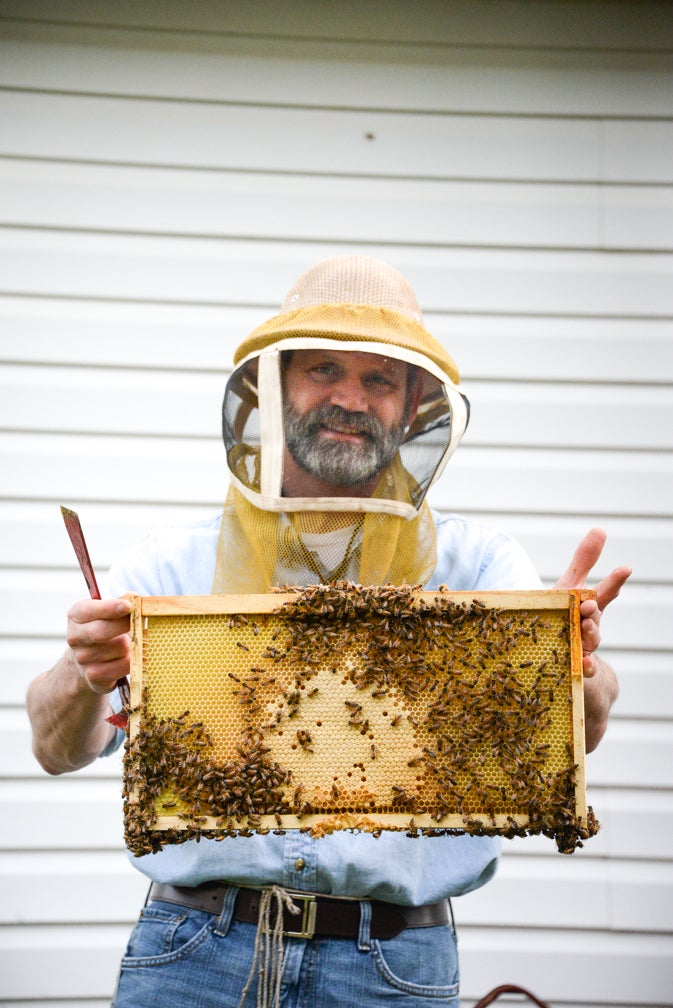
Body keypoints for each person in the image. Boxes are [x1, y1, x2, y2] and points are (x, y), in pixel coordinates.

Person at [26, 256, 630, 1008]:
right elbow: (54, 747)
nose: (350, 397)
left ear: (414, 407)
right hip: (195, 955)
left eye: (379, 379)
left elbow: (584, 725)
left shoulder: (480, 567)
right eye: (322, 369)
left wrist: (576, 665)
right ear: (274, 390)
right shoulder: (170, 565)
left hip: (391, 967)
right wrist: (83, 674)